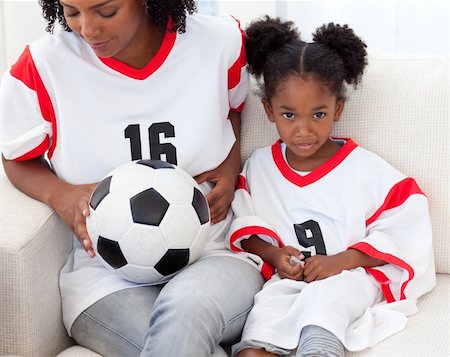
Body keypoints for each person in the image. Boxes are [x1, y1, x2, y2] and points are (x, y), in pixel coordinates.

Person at [0, 1, 264, 356]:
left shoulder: (220, 42)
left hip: (215, 254)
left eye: (105, 11)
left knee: (184, 315)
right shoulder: (44, 65)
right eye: (71, 11)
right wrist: (59, 195)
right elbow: (16, 157)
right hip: (104, 277)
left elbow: (231, 110)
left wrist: (231, 167)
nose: (88, 29)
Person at [225, 16, 436, 357]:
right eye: (289, 115)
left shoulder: (364, 169)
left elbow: (404, 219)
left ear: (338, 108)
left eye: (318, 114)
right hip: (289, 282)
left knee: (328, 303)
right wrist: (276, 255)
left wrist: (343, 259)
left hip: (348, 278)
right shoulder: (260, 168)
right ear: (269, 110)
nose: (304, 130)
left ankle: (320, 349)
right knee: (260, 328)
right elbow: (246, 227)